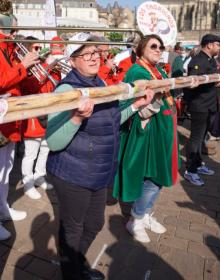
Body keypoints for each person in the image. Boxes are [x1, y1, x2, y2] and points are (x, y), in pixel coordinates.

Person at [45, 33, 153, 280]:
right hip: (72, 173)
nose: (94, 57)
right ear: (72, 61)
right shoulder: (66, 89)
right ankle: (71, 273)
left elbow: (111, 121)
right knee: (73, 229)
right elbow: (54, 141)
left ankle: (77, 265)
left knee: (94, 224)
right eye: (86, 54)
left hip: (98, 170)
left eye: (95, 52)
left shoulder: (100, 84)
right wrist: (77, 118)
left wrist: (136, 106)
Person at [0, 16, 40, 241]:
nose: (15, 33)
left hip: (10, 116)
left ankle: (1, 207)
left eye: (15, 29)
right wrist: (23, 66)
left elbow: (15, 81)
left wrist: (29, 68)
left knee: (7, 165)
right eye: (11, 29)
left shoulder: (8, 48)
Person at [114, 34, 178, 243]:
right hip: (145, 132)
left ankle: (145, 213)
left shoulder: (158, 69)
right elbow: (136, 106)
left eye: (160, 47)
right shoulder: (138, 71)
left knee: (158, 174)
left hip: (161, 131)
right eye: (153, 46)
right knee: (150, 177)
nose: (159, 50)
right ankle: (136, 219)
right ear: (141, 50)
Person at [183, 34, 220, 187]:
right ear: (209, 45)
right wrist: (216, 84)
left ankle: (198, 163)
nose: (219, 48)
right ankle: (191, 170)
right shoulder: (198, 60)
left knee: (202, 138)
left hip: (209, 105)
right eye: (218, 45)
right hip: (200, 106)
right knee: (196, 138)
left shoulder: (209, 60)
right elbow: (193, 83)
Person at [19, 37, 59, 200]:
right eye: (35, 48)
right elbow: (31, 85)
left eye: (39, 48)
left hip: (47, 112)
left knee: (45, 148)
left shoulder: (42, 66)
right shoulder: (26, 68)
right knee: (31, 153)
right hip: (33, 115)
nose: (39, 52)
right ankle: (27, 184)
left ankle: (39, 176)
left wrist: (54, 69)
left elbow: (54, 85)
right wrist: (48, 66)